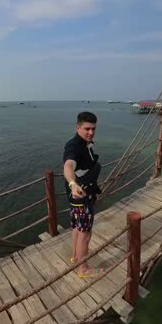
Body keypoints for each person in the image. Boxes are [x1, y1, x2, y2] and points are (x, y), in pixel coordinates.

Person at [63, 111, 104, 277]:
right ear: (77, 127)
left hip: (77, 198)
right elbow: (68, 166)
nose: (91, 132)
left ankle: (75, 257)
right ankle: (83, 269)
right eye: (87, 128)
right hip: (81, 197)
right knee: (85, 234)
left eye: (93, 128)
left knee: (77, 229)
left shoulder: (85, 143)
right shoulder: (74, 146)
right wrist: (73, 184)